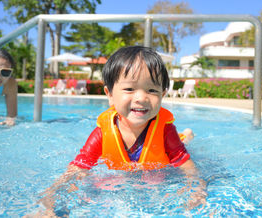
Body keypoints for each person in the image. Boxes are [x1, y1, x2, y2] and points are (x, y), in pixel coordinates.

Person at [39, 46, 206, 216]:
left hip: (164, 156)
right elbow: (80, 165)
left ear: (162, 95)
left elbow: (183, 162)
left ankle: (186, 135)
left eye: (152, 90)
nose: (141, 98)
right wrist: (53, 195)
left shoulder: (165, 130)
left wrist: (196, 188)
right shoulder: (102, 133)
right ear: (110, 94)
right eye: (129, 89)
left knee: (183, 141)